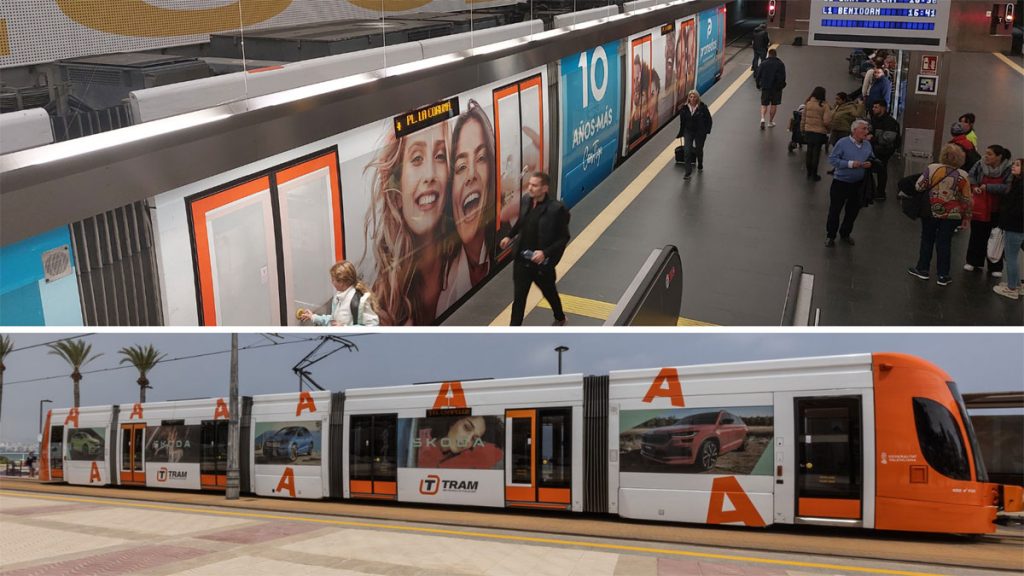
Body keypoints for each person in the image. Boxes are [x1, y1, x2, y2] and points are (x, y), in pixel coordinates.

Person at [363, 121, 454, 325]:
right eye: (417, 158)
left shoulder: (465, 259)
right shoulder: (381, 292)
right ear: (396, 193)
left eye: (440, 156)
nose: (430, 175)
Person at [437, 100, 497, 314]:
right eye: (461, 167)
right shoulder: (444, 293)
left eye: (481, 158)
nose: (471, 175)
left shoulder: (511, 231)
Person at [499, 171, 570, 326]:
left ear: (544, 189)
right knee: (519, 300)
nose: (530, 188)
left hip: (541, 265)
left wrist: (545, 253)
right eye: (529, 184)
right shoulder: (526, 200)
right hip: (521, 260)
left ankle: (560, 316)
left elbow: (564, 238)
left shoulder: (556, 209)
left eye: (534, 185)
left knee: (549, 293)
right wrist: (509, 236)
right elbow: (521, 221)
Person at [907, 144, 973, 286]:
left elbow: (919, 186)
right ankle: (943, 275)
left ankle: (923, 269)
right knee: (945, 242)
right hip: (952, 214)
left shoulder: (932, 168)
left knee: (927, 238)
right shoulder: (963, 175)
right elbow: (967, 199)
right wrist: (967, 217)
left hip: (930, 210)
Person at [965, 145, 1012, 277]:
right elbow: (970, 176)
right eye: (986, 153)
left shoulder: (1008, 168)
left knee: (996, 238)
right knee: (976, 234)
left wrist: (989, 187)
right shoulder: (979, 164)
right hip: (980, 206)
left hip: (998, 209)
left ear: (999, 157)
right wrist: (975, 187)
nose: (986, 156)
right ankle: (973, 261)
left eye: (990, 154)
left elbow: (1008, 187)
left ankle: (995, 266)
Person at [825, 120, 873, 247]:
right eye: (863, 129)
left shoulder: (867, 145)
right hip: (841, 182)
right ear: (854, 130)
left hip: (858, 184)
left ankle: (845, 233)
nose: (866, 132)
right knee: (835, 210)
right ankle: (830, 235)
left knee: (852, 211)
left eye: (867, 129)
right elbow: (833, 159)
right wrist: (850, 164)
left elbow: (871, 157)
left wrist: (870, 163)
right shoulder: (842, 143)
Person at [300, 260, 380, 326]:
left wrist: (344, 328)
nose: (331, 282)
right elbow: (334, 321)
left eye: (333, 279)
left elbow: (372, 325)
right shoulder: (338, 297)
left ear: (341, 282)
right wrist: (314, 317)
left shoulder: (358, 300)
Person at [416, 416, 503, 469]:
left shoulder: (449, 459)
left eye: (474, 438)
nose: (467, 440)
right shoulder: (415, 436)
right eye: (467, 427)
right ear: (453, 421)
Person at [993, 158, 1023, 300]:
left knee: (1010, 257)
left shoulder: (1020, 185)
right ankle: (1016, 284)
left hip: (1015, 225)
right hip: (1017, 225)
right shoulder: (1017, 183)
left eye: (1017, 165)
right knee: (1013, 256)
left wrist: (1006, 215)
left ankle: (1011, 288)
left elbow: (1017, 208)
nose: (1013, 166)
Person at [676, 90, 713, 180]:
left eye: (694, 97)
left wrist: (706, 131)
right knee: (687, 151)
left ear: (697, 98)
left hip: (700, 132)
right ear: (688, 98)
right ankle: (687, 173)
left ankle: (700, 162)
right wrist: (682, 132)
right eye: (690, 97)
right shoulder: (684, 108)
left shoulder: (703, 108)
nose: (692, 99)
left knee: (699, 149)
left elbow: (709, 120)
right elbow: (682, 122)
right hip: (688, 131)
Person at [867, 100, 900, 200]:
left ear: (883, 108)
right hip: (876, 147)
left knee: (881, 169)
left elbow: (888, 138)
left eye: (876, 107)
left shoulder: (890, 122)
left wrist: (873, 138)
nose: (873, 109)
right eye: (873, 107)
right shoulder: (874, 119)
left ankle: (880, 192)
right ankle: (873, 190)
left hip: (885, 150)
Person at [800, 86, 832, 181]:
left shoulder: (808, 104)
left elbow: (803, 118)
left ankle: (809, 172)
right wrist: (828, 130)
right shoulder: (824, 106)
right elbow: (827, 121)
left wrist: (802, 129)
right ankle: (814, 174)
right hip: (819, 132)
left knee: (809, 152)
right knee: (816, 153)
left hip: (808, 131)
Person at [755, 48, 786, 129]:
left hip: (765, 87)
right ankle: (770, 122)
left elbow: (758, 75)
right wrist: (782, 85)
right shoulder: (780, 64)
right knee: (774, 104)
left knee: (764, 104)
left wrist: (758, 84)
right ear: (776, 55)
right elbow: (783, 77)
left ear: (769, 54)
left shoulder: (763, 63)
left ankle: (762, 119)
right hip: (776, 88)